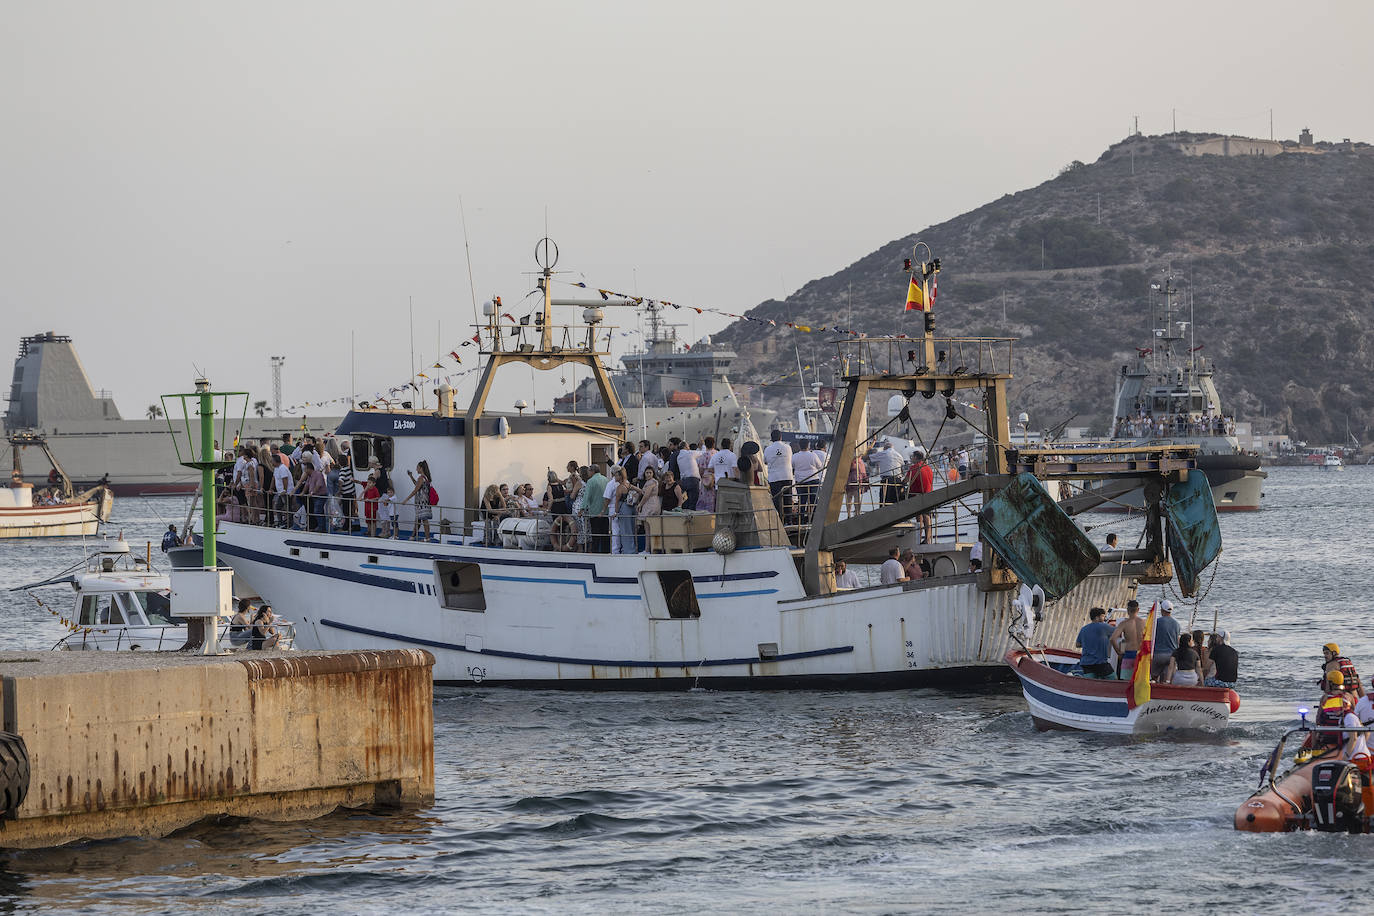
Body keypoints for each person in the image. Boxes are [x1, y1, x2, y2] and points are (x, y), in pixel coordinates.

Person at [1075, 607, 1115, 679]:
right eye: (1103, 616)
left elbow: (1078, 645)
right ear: (1097, 617)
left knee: (1090, 682)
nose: (1104, 618)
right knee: (1113, 679)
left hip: (1086, 663)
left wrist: (1089, 643)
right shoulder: (1103, 626)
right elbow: (1118, 632)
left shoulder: (1084, 629)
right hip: (1099, 663)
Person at [1109, 599, 1145, 680]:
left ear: (1128, 610)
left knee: (1126, 681)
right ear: (1138, 610)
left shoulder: (1124, 624)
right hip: (1140, 655)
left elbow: (1112, 639)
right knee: (1139, 680)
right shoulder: (1144, 622)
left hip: (1128, 654)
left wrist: (1119, 652)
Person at [906, 447, 935, 544]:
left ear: (916, 457)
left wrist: (901, 486)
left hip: (917, 494)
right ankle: (928, 538)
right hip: (928, 493)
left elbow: (906, 480)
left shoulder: (914, 467)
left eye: (912, 457)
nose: (911, 459)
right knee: (926, 516)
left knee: (920, 517)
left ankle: (919, 537)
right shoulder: (928, 467)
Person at [763, 430, 795, 518]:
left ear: (771, 439)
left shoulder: (768, 449)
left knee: (776, 500)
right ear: (781, 437)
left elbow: (765, 462)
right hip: (787, 476)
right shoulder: (788, 447)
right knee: (787, 499)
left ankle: (779, 520)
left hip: (774, 478)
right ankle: (789, 520)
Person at [792, 440, 825, 521]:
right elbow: (820, 466)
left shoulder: (795, 456)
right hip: (813, 480)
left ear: (799, 446)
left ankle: (802, 520)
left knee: (802, 501)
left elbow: (792, 465)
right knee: (814, 501)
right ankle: (814, 519)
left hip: (800, 481)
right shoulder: (813, 455)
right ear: (808, 445)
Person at [402, 460, 434, 541]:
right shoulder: (425, 477)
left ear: (421, 468)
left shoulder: (421, 478)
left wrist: (406, 499)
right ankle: (413, 536)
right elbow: (417, 485)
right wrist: (411, 476)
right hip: (425, 501)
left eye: (417, 468)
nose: (416, 469)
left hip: (421, 502)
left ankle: (427, 538)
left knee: (424, 519)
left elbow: (416, 490)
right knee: (419, 519)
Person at [1150, 600, 1181, 681]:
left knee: (1153, 678)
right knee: (1167, 679)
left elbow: (1150, 636)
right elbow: (1177, 640)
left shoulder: (1156, 622)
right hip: (1171, 656)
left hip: (1158, 654)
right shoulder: (1176, 624)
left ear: (1162, 610)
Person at [584, 464, 609, 553]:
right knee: (605, 534)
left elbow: (586, 496)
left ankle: (595, 552)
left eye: (589, 471)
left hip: (594, 511)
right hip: (605, 511)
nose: (588, 473)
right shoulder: (606, 479)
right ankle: (605, 551)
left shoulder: (590, 481)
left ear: (592, 471)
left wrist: (581, 509)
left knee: (595, 534)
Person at [872, 439, 902, 506]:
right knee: (895, 500)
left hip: (887, 479)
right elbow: (902, 464)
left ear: (885, 448)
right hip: (897, 479)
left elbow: (870, 457)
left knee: (885, 500)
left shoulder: (884, 453)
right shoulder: (899, 455)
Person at [675, 442, 700, 510]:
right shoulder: (689, 453)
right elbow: (702, 453)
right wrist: (703, 445)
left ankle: (685, 519)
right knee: (693, 502)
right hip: (693, 479)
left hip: (683, 481)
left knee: (685, 502)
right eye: (688, 446)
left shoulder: (679, 457)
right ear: (686, 447)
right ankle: (692, 519)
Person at [844, 453, 868, 518]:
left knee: (852, 498)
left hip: (853, 482)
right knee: (854, 498)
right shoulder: (860, 462)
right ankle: (854, 513)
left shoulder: (857, 462)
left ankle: (853, 513)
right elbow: (863, 473)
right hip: (854, 482)